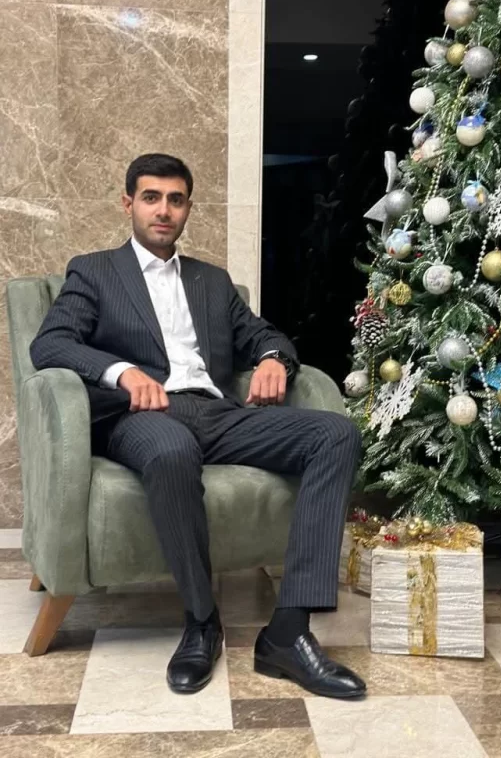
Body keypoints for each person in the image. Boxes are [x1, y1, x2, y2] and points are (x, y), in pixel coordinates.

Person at [30, 153, 366, 700]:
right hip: (141, 416)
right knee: (171, 451)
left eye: (175, 199)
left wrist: (273, 360)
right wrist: (122, 372)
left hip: (217, 413)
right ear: (128, 204)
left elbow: (264, 335)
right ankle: (202, 622)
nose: (163, 210)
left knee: (336, 433)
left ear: (188, 208)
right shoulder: (94, 271)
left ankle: (288, 632)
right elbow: (51, 344)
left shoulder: (212, 281)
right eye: (151, 198)